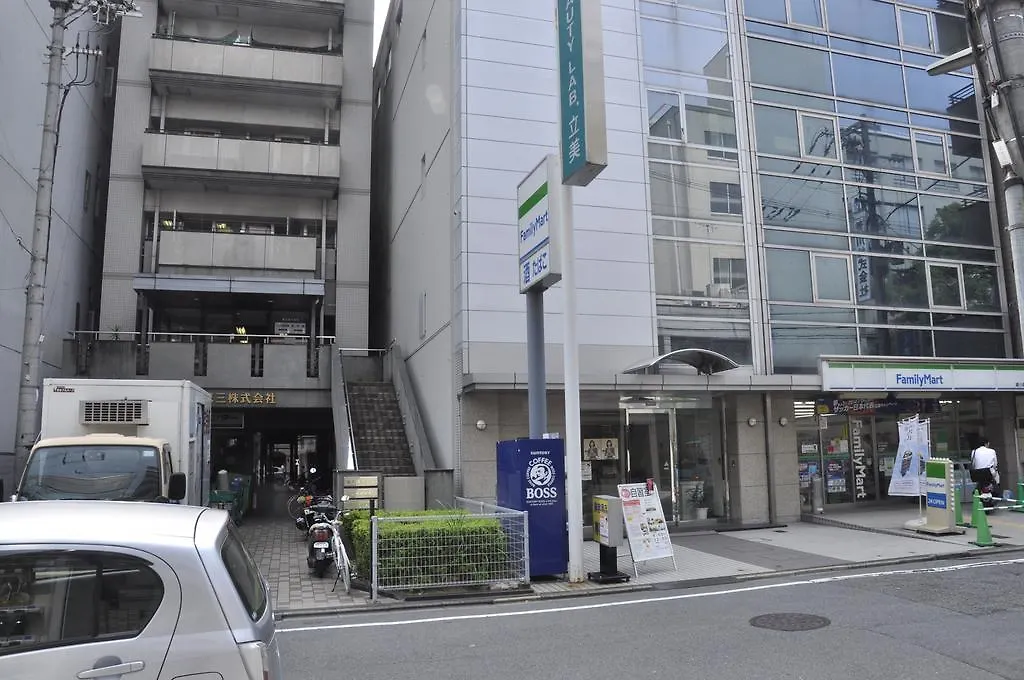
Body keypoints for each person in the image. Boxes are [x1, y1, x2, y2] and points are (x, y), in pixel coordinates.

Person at [970, 437, 999, 508]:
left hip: (977, 473)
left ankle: (977, 492)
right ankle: (996, 491)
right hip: (989, 472)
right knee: (997, 477)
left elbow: (973, 464)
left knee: (979, 483)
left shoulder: (974, 451)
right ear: (986, 443)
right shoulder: (992, 451)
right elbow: (995, 464)